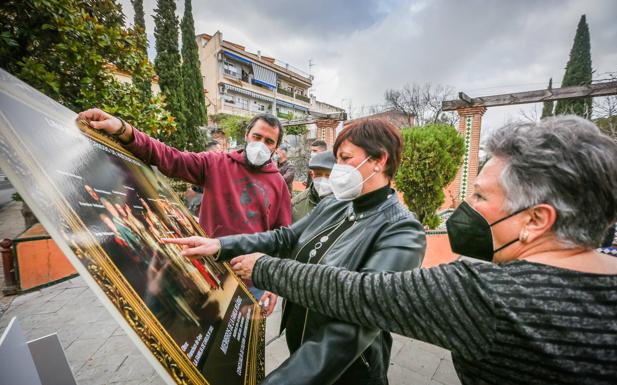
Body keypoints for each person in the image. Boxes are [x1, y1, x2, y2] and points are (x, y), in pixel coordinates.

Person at [225, 116, 617, 385]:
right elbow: (290, 240)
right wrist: (229, 247)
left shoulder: (483, 294)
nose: (468, 208)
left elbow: (358, 297)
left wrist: (263, 268)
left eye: (481, 196)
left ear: (536, 219)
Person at [164, 119, 426, 385]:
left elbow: (352, 328)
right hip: (300, 344)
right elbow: (285, 236)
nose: (337, 170)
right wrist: (221, 245)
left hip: (349, 370)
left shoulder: (402, 231)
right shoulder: (336, 204)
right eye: (337, 159)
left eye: (345, 158)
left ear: (379, 160)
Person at [76, 108, 292, 308]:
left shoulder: (278, 183)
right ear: (247, 135)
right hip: (207, 272)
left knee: (244, 343)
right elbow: (171, 159)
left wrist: (273, 282)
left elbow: (282, 237)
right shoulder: (215, 163)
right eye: (257, 137)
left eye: (269, 141)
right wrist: (124, 129)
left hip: (251, 280)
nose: (261, 144)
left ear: (275, 147)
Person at [291, 151, 336, 222]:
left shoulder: (348, 201)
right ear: (312, 175)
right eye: (318, 175)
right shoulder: (296, 205)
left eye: (328, 175)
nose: (323, 180)